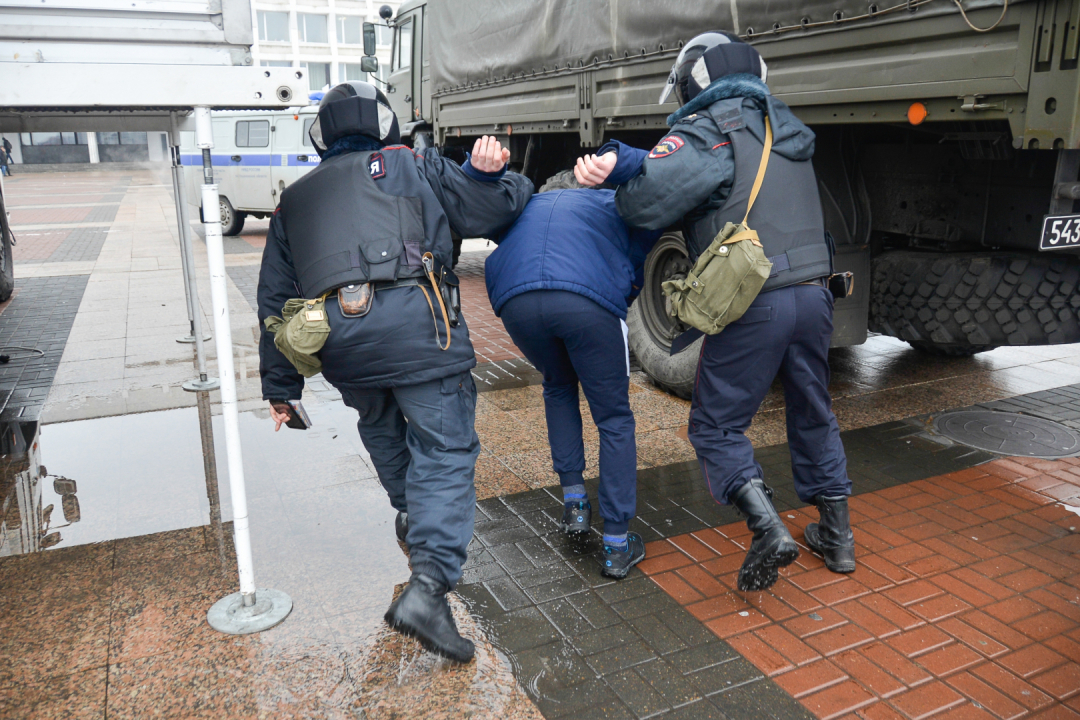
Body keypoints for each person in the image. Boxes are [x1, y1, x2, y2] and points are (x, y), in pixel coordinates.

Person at [258, 81, 533, 662]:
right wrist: (509, 179)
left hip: (343, 347)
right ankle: (428, 590)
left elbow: (274, 303)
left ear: (322, 134)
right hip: (422, 335)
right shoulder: (415, 164)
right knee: (445, 450)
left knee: (384, 431)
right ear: (385, 122)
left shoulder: (293, 201)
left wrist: (281, 388)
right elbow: (492, 207)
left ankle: (413, 517)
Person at [575, 32, 855, 592]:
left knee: (714, 426)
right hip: (817, 293)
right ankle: (838, 537)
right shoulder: (784, 126)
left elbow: (644, 201)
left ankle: (767, 527)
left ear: (691, 82)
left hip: (758, 300)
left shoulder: (709, 128)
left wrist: (623, 174)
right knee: (811, 408)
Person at [483, 173, 662, 578]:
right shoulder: (606, 203)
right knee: (614, 418)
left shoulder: (528, 206)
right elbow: (639, 254)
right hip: (584, 300)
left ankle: (576, 505)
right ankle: (617, 544)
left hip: (516, 301)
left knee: (558, 386)